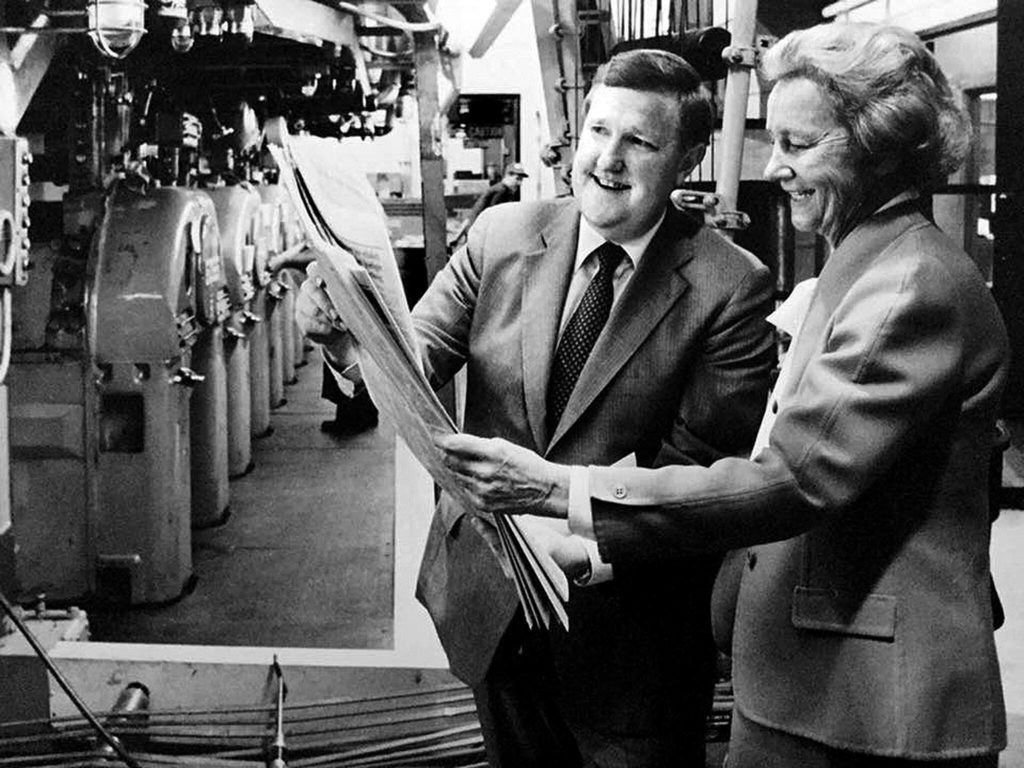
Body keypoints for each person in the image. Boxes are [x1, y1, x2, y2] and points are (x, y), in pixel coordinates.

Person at [435, 22, 1008, 767]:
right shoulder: (866, 267)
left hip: (862, 701)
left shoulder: (903, 287)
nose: (776, 169)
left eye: (800, 146)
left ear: (879, 145)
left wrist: (557, 489)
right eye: (598, 131)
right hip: (812, 679)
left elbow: (793, 477)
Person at [297, 49, 775, 767]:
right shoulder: (501, 235)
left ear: (688, 157)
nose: (606, 161)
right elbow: (414, 358)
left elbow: (696, 477)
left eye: (639, 142)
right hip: (490, 607)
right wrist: (347, 335)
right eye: (596, 132)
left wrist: (572, 547)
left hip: (631, 643)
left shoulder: (728, 288)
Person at [463, 161, 528, 228]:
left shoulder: (503, 189)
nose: (520, 183)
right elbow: (494, 215)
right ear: (508, 176)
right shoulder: (501, 191)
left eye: (521, 180)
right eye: (517, 179)